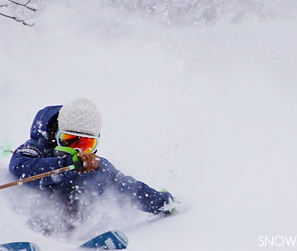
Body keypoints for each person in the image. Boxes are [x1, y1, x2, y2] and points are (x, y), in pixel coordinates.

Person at [9, 98, 174, 232]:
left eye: (86, 144)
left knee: (97, 180)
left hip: (70, 219)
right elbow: (19, 167)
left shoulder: (93, 165)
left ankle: (75, 230)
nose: (78, 150)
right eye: (69, 140)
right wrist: (63, 163)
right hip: (33, 213)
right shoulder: (37, 146)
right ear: (56, 134)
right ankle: (31, 234)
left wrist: (161, 202)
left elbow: (127, 187)